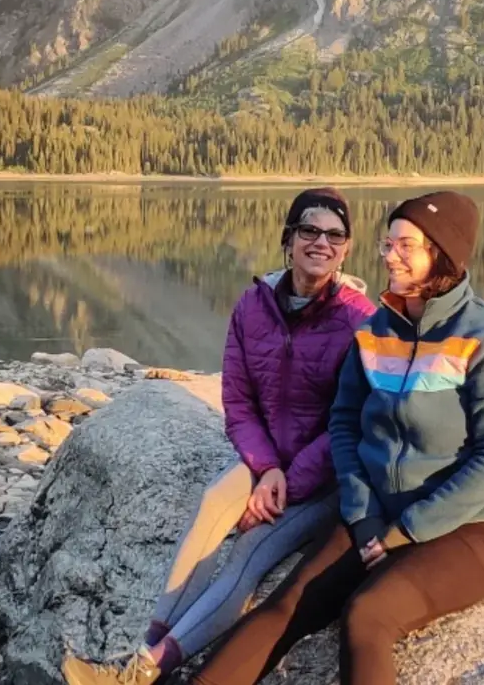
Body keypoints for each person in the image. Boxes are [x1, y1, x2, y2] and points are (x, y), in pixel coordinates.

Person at [178, 191, 484, 685]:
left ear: (442, 256)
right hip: (376, 513)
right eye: (388, 243)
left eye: (404, 246)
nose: (388, 255)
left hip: (470, 530)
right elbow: (345, 423)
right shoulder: (376, 331)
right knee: (290, 604)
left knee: (368, 614)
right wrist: (363, 512)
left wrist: (406, 530)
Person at [61, 187, 377, 685]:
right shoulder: (253, 305)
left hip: (326, 476)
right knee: (213, 502)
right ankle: (144, 647)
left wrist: (286, 484)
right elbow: (239, 402)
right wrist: (266, 468)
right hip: (266, 461)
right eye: (310, 231)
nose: (322, 243)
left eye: (335, 235)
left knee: (246, 556)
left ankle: (144, 672)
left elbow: (350, 420)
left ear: (346, 248)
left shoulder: (360, 320)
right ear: (288, 239)